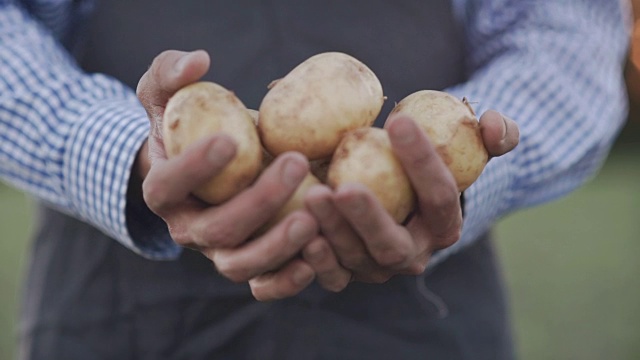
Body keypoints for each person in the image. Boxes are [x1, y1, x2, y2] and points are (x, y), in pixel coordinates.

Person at [0, 0, 630, 359]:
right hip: (118, 313)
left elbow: (565, 36)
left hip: (421, 326)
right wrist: (127, 150)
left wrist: (449, 172)